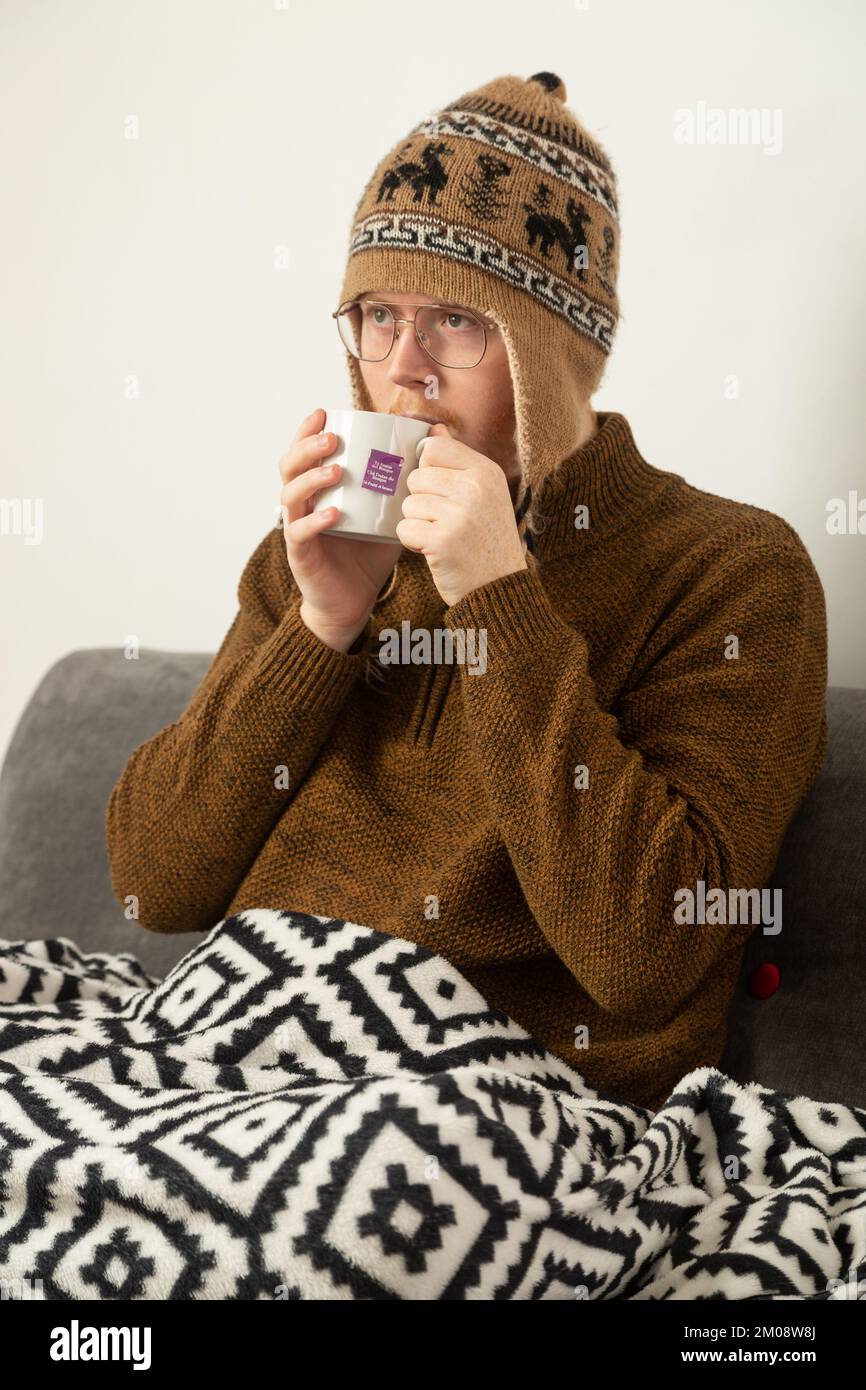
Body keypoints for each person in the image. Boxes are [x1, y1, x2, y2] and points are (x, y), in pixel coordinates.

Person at [105, 72, 828, 1110]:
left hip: (485, 1115)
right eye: (374, 316)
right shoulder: (326, 550)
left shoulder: (733, 573)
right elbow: (154, 879)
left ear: (547, 352)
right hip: (227, 1067)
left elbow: (644, 955)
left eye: (454, 321)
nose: (403, 371)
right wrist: (321, 627)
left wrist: (500, 601)